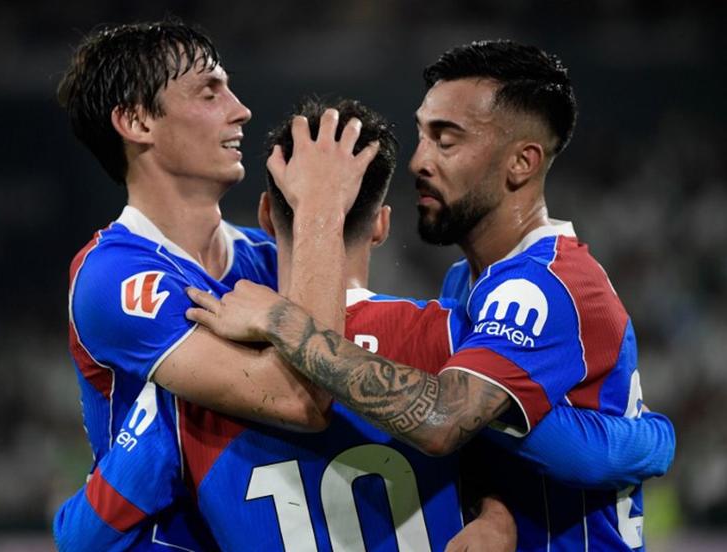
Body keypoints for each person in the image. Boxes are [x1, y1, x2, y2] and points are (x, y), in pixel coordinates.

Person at [56, 97, 673, 551]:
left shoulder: (199, 377)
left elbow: (87, 534)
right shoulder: (446, 340)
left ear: (267, 216)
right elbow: (574, 453)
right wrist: (654, 438)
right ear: (381, 224)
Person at [53, 19, 379, 549]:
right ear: (136, 120)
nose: (241, 109)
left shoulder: (268, 257)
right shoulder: (113, 276)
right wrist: (321, 206)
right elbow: (301, 397)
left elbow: (365, 364)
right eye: (210, 90)